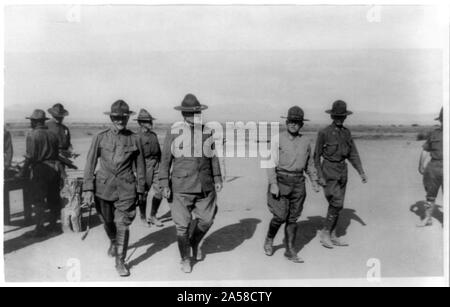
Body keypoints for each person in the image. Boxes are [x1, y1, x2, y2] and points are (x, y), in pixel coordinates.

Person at [159, 94, 223, 273]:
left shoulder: (207, 132)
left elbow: (213, 158)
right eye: (188, 113)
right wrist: (164, 183)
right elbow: (165, 161)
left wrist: (217, 178)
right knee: (182, 225)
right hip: (181, 186)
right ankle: (185, 259)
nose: (193, 117)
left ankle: (194, 241)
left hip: (204, 185)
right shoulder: (173, 132)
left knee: (207, 219)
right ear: (183, 115)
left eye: (196, 113)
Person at [82, 100, 146, 277]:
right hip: (104, 188)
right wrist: (87, 188)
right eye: (117, 117)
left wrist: (141, 189)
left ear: (128, 118)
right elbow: (90, 163)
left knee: (122, 224)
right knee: (107, 222)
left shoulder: (135, 139)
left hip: (126, 188)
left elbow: (140, 167)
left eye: (123, 117)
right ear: (111, 117)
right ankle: (112, 240)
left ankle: (120, 261)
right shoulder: (100, 137)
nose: (120, 121)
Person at [265, 106, 320, 263]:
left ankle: (290, 251)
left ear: (301, 124)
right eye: (290, 121)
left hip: (298, 183)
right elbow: (269, 163)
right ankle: (269, 240)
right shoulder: (277, 139)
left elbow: (309, 164)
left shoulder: (305, 141)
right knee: (280, 216)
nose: (293, 124)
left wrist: (314, 181)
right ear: (286, 122)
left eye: (296, 122)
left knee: (293, 219)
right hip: (281, 180)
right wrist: (273, 183)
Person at [314, 100, 368, 249]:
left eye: (342, 116)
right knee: (336, 202)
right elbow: (316, 156)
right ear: (332, 116)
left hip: (343, 171)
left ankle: (332, 235)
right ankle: (325, 233)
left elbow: (353, 154)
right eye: (336, 116)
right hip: (329, 170)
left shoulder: (346, 133)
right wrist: (319, 175)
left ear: (345, 117)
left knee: (338, 205)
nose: (339, 118)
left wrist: (361, 172)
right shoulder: (324, 133)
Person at [19, 110, 61, 237]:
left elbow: (30, 156)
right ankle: (53, 225)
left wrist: (23, 171)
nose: (30, 122)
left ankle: (39, 228)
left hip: (40, 169)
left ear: (36, 122)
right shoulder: (53, 135)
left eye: (31, 120)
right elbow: (56, 154)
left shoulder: (32, 135)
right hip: (54, 169)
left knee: (38, 200)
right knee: (53, 198)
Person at [134, 108, 164, 227]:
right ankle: (142, 218)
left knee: (160, 191)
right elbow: (135, 157)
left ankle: (153, 216)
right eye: (147, 121)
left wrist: (162, 166)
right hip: (144, 166)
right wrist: (136, 171)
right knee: (143, 193)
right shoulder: (137, 137)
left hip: (156, 165)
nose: (150, 123)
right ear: (141, 123)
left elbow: (159, 152)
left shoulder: (154, 135)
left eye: (150, 121)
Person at [418, 107, 443, 227]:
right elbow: (425, 149)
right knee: (430, 195)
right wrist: (421, 165)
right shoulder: (434, 133)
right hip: (433, 167)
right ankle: (427, 219)